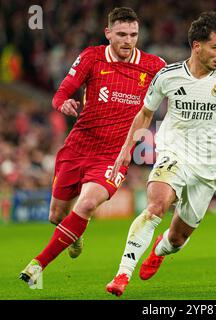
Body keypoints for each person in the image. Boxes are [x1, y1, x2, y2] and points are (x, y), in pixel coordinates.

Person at [105, 11, 216, 297]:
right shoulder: (168, 76)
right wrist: (127, 150)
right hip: (173, 152)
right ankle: (121, 275)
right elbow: (145, 113)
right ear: (197, 46)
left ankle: (159, 250)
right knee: (157, 204)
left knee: (177, 239)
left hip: (208, 167)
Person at [19, 7, 166, 287]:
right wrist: (62, 102)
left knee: (86, 204)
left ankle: (38, 264)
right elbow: (63, 90)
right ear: (108, 33)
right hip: (77, 148)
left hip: (114, 155)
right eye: (121, 34)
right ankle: (73, 233)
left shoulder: (153, 66)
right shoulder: (92, 57)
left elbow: (179, 86)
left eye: (133, 35)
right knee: (56, 216)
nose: (128, 41)